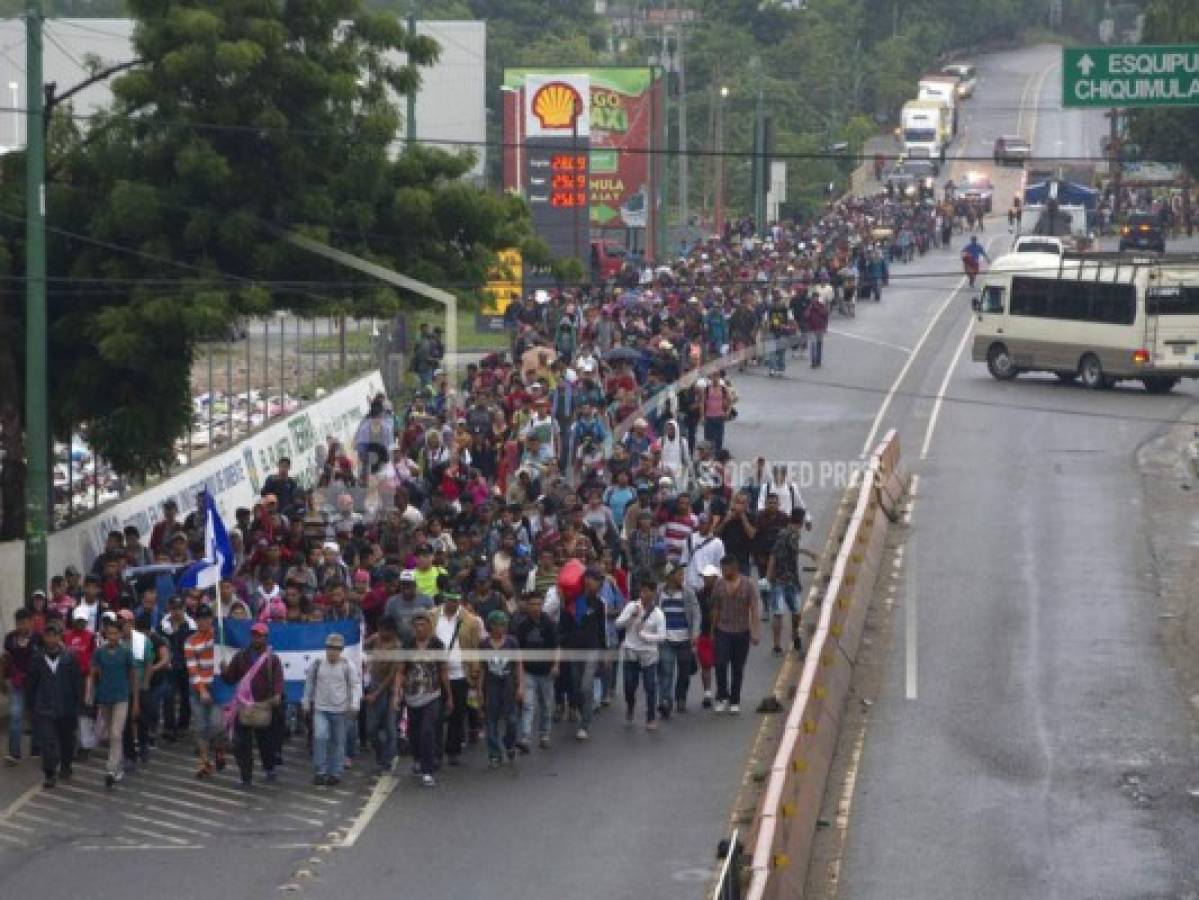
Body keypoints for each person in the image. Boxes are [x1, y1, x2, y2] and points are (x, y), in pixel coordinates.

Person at [222, 622, 284, 787]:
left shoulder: (272, 659)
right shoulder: (241, 656)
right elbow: (230, 679)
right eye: (255, 635)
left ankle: (269, 767)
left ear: (266, 637)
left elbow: (278, 680)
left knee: (266, 742)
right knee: (242, 743)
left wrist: (277, 695)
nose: (257, 638)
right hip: (243, 706)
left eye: (261, 635)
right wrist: (224, 671)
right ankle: (246, 776)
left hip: (263, 705)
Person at [396, 610, 449, 787]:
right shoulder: (407, 645)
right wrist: (397, 693)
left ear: (429, 626)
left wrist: (449, 695)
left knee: (428, 731)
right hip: (412, 696)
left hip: (432, 694)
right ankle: (417, 758)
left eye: (423, 625)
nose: (419, 628)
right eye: (416, 625)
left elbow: (443, 670)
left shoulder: (437, 645)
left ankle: (428, 770)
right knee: (415, 732)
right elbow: (401, 671)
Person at [25, 621, 81, 788]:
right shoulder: (38, 658)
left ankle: (65, 765)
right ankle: (49, 773)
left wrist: (79, 703)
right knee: (48, 741)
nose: (50, 639)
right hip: (44, 707)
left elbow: (76, 682)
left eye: (54, 635)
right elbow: (31, 684)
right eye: (47, 635)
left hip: (66, 707)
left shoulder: (69, 658)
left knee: (66, 740)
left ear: (59, 637)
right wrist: (30, 706)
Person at [303, 632, 362, 786]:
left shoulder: (347, 665)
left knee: (338, 742)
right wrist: (306, 701)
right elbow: (309, 683)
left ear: (341, 649)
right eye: (330, 648)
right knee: (320, 737)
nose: (332, 651)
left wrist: (355, 704)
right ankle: (320, 772)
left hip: (340, 710)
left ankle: (335, 773)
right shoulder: (317, 663)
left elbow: (355, 685)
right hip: (321, 708)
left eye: (336, 648)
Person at [85, 617, 139, 787]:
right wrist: (89, 692)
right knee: (111, 733)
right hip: (105, 697)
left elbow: (133, 676)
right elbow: (92, 672)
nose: (113, 637)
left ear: (120, 635)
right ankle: (118, 763)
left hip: (122, 698)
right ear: (105, 635)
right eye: (110, 633)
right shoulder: (99, 652)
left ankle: (111, 768)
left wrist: (136, 700)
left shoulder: (126, 652)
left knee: (116, 733)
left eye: (116, 633)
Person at [431, 590, 482, 767]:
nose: (452, 603)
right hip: (436, 673)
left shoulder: (471, 621)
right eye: (449, 600)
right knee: (435, 715)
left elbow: (475, 647)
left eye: (456, 600)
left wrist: (475, 671)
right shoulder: (432, 616)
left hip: (460, 674)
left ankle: (453, 751)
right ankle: (436, 752)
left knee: (457, 714)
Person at [710, 555, 760, 714]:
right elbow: (715, 608)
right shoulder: (718, 584)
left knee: (738, 667)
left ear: (734, 568)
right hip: (723, 630)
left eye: (726, 568)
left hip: (742, 631)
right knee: (720, 663)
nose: (723, 571)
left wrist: (755, 631)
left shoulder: (748, 585)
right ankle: (721, 695)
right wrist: (712, 631)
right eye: (722, 568)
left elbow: (753, 609)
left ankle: (735, 699)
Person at [615, 579, 667, 730]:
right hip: (631, 652)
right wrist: (631, 616)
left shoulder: (658, 614)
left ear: (653, 593)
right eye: (641, 591)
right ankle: (630, 705)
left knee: (650, 687)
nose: (643, 594)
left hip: (649, 655)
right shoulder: (632, 606)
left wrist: (645, 636)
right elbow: (618, 624)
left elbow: (662, 636)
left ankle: (651, 717)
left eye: (646, 591)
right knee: (629, 685)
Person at [766, 509, 818, 656]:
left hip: (780, 579)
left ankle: (778, 645)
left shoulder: (782, 533)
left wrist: (768, 578)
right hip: (787, 579)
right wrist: (809, 553)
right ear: (800, 522)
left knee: (779, 613)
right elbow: (792, 551)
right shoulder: (793, 535)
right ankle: (794, 637)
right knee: (794, 611)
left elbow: (773, 556)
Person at [512, 590, 559, 751]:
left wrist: (555, 665)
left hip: (546, 671)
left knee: (546, 705)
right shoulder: (523, 626)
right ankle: (525, 738)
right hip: (528, 671)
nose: (535, 607)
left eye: (538, 604)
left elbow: (556, 646)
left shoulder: (549, 623)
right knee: (528, 705)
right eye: (532, 604)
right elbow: (519, 650)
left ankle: (544, 734)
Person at [184, 605, 225, 778]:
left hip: (217, 687)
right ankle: (204, 762)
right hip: (198, 689)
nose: (203, 622)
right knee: (201, 727)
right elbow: (192, 669)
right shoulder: (190, 641)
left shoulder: (219, 636)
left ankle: (219, 750)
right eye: (200, 619)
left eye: (206, 618)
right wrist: (201, 690)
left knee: (216, 725)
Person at [479, 610, 523, 768]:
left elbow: (518, 665)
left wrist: (520, 687)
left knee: (511, 720)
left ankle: (509, 743)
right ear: (491, 626)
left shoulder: (512, 642)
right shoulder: (484, 644)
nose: (502, 628)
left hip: (508, 686)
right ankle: (494, 754)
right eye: (499, 625)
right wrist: (480, 692)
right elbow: (483, 669)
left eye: (504, 625)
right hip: (492, 687)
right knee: (491, 722)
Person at [657, 562, 701, 717]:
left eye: (683, 574)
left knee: (684, 670)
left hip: (684, 639)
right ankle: (665, 701)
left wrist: (694, 634)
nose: (682, 577)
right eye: (679, 574)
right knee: (666, 670)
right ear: (670, 576)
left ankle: (681, 696)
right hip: (666, 639)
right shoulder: (659, 592)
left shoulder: (688, 593)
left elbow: (696, 613)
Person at [363, 616, 402, 775]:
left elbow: (392, 675)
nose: (381, 633)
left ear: (392, 631)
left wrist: (376, 694)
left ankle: (386, 762)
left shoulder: (397, 648)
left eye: (384, 631)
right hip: (373, 683)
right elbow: (361, 647)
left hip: (389, 689)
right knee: (371, 729)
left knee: (390, 728)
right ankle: (381, 756)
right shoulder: (375, 640)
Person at [2, 609, 39, 765]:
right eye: (18, 623)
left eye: (24, 622)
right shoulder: (10, 638)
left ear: (31, 622)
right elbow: (5, 658)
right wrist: (2, 679)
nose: (21, 626)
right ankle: (14, 753)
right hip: (17, 683)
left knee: (36, 716)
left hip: (36, 683)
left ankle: (37, 747)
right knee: (16, 715)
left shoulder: (38, 639)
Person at [804, 291, 829, 369]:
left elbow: (825, 314)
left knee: (819, 344)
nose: (815, 299)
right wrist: (811, 308)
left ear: (818, 298)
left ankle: (818, 360)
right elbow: (806, 316)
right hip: (811, 328)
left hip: (820, 328)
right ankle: (813, 361)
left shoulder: (821, 305)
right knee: (813, 344)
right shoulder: (809, 306)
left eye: (816, 297)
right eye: (813, 297)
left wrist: (825, 327)